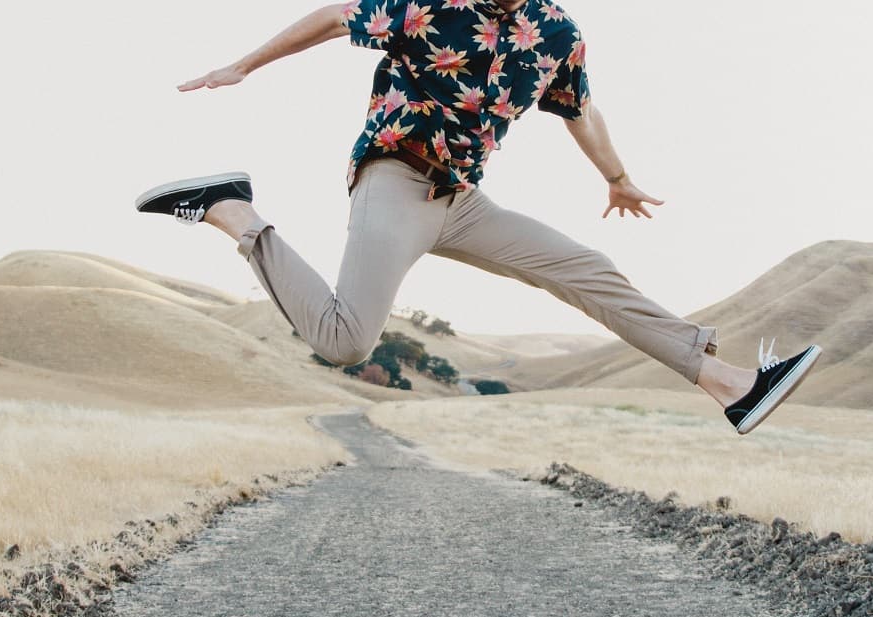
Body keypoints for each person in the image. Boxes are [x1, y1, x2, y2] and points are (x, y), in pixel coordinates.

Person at [135, 0, 821, 434]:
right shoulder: (433, 7)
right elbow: (334, 16)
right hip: (395, 182)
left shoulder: (556, 33)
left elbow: (580, 111)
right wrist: (243, 65)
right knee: (345, 341)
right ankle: (233, 210)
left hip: (462, 203)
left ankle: (730, 385)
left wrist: (617, 178)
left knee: (586, 269)